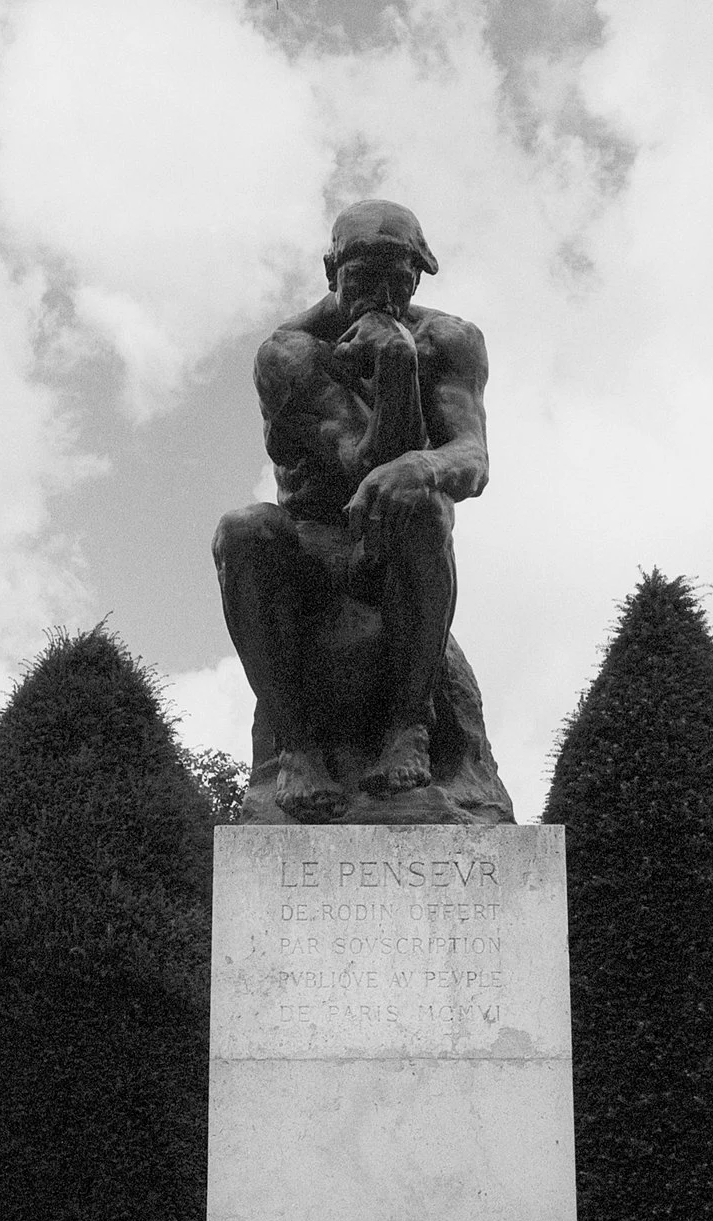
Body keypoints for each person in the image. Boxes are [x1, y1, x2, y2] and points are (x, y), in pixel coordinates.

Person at [213, 199, 489, 821]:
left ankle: (408, 728)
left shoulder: (451, 340)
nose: (382, 295)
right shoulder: (288, 353)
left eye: (400, 278)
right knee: (243, 531)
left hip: (389, 551)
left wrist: (421, 462)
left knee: (421, 505)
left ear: (422, 273)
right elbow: (359, 468)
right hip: (311, 551)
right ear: (331, 270)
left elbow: (471, 458)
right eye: (363, 277)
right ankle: (300, 749)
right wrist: (395, 367)